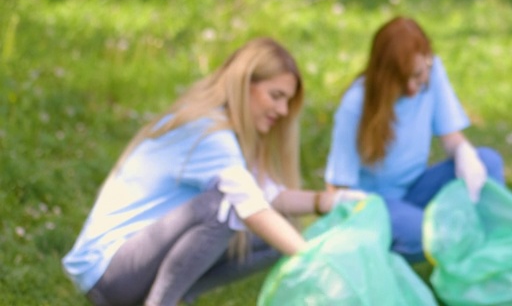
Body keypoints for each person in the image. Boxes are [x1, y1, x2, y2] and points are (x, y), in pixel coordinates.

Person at [62, 37, 359, 306]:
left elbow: (269, 196)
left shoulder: (225, 132)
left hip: (130, 270)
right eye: (276, 96)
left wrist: (329, 202)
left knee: (277, 233)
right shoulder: (207, 132)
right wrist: (316, 262)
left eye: (287, 101)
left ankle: (173, 296)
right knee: (223, 207)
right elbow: (253, 208)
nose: (282, 110)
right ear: (244, 85)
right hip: (109, 274)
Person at [324, 15, 505, 263]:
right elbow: (337, 187)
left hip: (417, 188)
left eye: (418, 75)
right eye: (402, 80)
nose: (412, 88)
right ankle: (453, 251)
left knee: (488, 162)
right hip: (375, 205)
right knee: (424, 232)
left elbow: (451, 137)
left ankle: (487, 255)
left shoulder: (432, 72)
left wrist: (465, 154)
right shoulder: (356, 105)